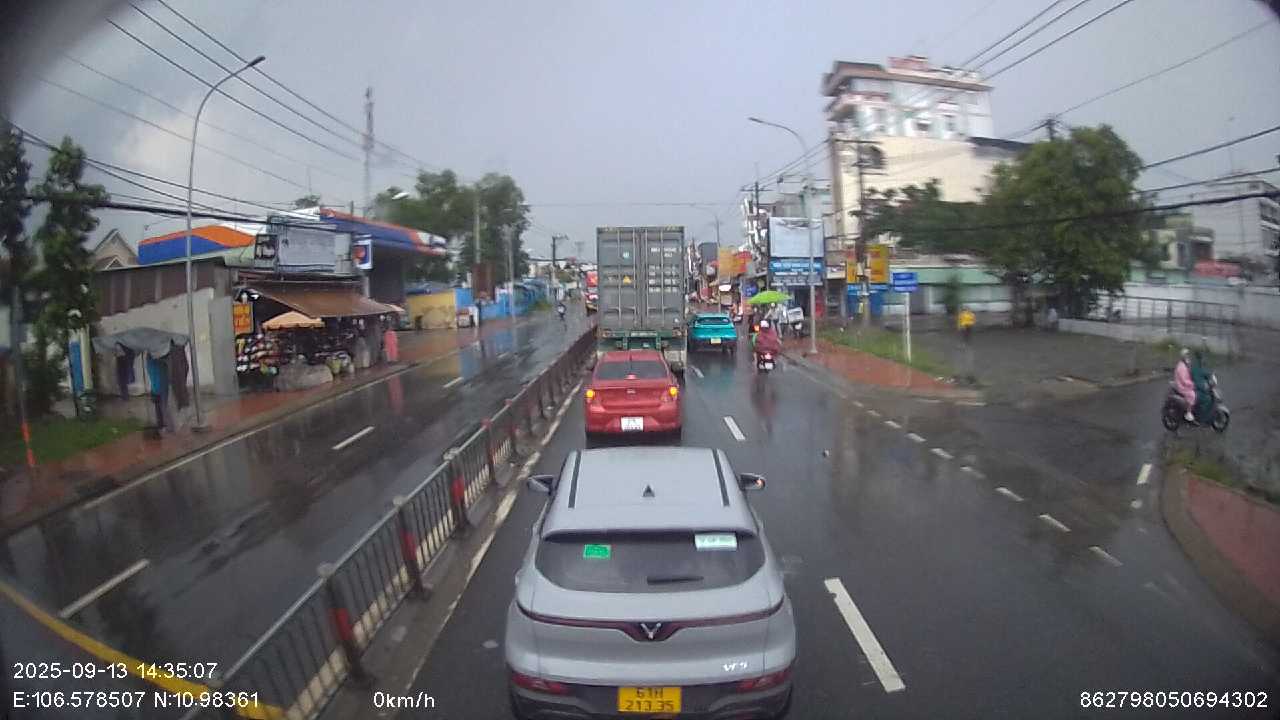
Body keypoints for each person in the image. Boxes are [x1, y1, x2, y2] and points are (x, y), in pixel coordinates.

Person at [1173, 348, 1197, 422]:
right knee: (1192, 394)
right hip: (1182, 386)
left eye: (1188, 354)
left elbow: (1189, 373)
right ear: (1183, 356)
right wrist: (1193, 384)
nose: (1188, 356)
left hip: (1185, 384)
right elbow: (1184, 380)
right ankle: (1188, 413)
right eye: (1186, 355)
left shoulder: (1184, 364)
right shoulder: (1181, 367)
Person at [1191, 350, 1213, 422]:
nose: (1203, 359)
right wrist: (1204, 388)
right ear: (1200, 358)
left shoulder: (1196, 364)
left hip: (1193, 387)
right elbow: (1198, 381)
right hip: (1195, 390)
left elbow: (1203, 372)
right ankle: (1201, 418)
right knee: (1207, 399)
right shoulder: (1196, 366)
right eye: (1202, 357)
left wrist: (1209, 375)